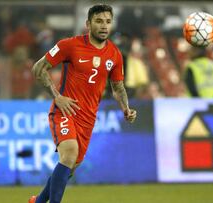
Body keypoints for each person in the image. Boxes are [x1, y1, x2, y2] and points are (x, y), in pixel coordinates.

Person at [28, 4, 137, 203]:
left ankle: (38, 201)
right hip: (64, 111)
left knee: (69, 167)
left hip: (88, 119)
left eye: (107, 22)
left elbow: (118, 87)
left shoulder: (114, 55)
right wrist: (56, 96)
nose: (104, 26)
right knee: (69, 154)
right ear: (88, 24)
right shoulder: (69, 45)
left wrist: (126, 109)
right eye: (98, 21)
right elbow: (38, 68)